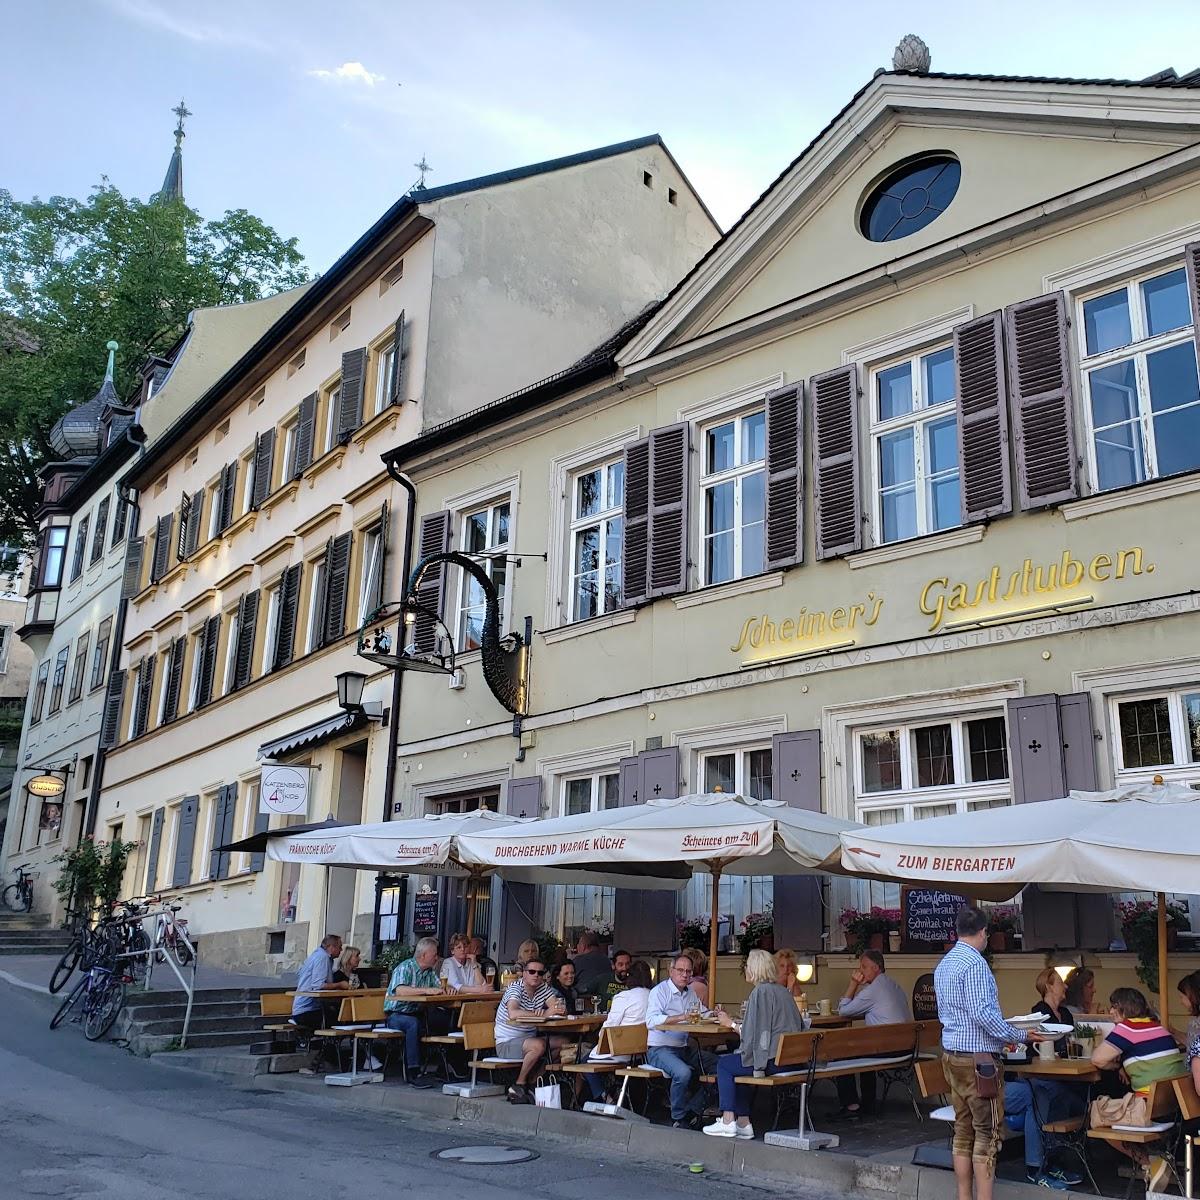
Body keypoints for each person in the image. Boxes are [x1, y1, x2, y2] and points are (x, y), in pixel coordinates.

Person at [934, 906, 1052, 1200]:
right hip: (980, 1060)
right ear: (984, 932)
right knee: (987, 1134)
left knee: (963, 1131)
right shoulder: (974, 964)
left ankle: (964, 1196)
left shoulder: (945, 963)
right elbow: (983, 1015)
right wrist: (1019, 1035)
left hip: (952, 1053)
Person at [703, 949, 807, 1138]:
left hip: (773, 1061)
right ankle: (743, 1123)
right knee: (740, 1062)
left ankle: (727, 1120)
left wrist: (731, 1024)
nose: (746, 970)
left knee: (725, 1064)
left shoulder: (761, 992)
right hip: (792, 1059)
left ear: (755, 970)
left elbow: (755, 1037)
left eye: (748, 966)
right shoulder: (783, 991)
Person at [1091, 987, 1185, 1193]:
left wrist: (1115, 1066)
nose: (1111, 1012)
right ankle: (1155, 1160)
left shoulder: (1127, 1029)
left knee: (1096, 1117)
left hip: (1147, 1111)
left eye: (1114, 1007)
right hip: (1172, 1108)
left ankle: (1150, 1161)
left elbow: (1097, 1059)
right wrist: (1124, 1064)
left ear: (1124, 1009)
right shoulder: (1158, 1028)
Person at [1001, 968, 1086, 1188]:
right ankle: (1037, 1167)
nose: (1065, 986)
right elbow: (1030, 1050)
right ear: (1048, 986)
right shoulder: (1038, 1014)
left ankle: (1052, 1160)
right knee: (1042, 1094)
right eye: (1060, 982)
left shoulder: (1065, 1014)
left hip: (1056, 1076)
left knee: (1063, 1096)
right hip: (1036, 1076)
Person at [833, 949, 912, 1119]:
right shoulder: (893, 984)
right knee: (865, 1053)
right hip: (907, 1047)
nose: (860, 971)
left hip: (889, 1048)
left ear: (876, 968)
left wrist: (853, 984)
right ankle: (867, 1104)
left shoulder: (873, 990)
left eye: (864, 967)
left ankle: (851, 1105)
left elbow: (843, 1011)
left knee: (840, 1053)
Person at [646, 954, 716, 1129]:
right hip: (659, 1049)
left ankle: (693, 1110)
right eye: (680, 970)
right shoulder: (660, 991)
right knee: (684, 1073)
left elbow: (701, 1013)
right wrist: (681, 1017)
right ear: (671, 971)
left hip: (683, 1048)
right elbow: (651, 1021)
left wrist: (714, 1013)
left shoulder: (690, 993)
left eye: (688, 971)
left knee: (721, 1066)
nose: (685, 975)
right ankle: (679, 1117)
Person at [494, 956, 567, 1104]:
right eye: (532, 972)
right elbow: (513, 1012)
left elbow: (559, 1009)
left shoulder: (543, 988)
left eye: (540, 973)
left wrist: (550, 1012)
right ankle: (519, 1084)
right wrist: (541, 1014)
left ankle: (534, 1080)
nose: (536, 975)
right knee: (538, 1045)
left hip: (530, 1038)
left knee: (564, 1043)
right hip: (506, 1042)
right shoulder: (515, 988)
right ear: (524, 973)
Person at [580, 960, 653, 1101]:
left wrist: (599, 1036)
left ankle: (604, 1097)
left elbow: (609, 1027)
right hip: (643, 1053)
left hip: (621, 1052)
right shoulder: (654, 996)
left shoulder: (623, 997)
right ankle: (615, 1092)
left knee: (583, 1062)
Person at [383, 937, 450, 1087]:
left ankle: (445, 1068)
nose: (437, 957)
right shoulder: (405, 968)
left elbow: (439, 988)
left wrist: (447, 989)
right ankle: (413, 1072)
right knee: (412, 1024)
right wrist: (426, 990)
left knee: (446, 1020)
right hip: (396, 1015)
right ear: (423, 955)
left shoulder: (429, 972)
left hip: (418, 1014)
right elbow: (400, 990)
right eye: (434, 954)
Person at [292, 934, 351, 1075]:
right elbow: (318, 985)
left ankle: (326, 1061)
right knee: (338, 1022)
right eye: (339, 946)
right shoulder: (322, 958)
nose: (341, 950)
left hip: (310, 1008)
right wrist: (340, 985)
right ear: (331, 947)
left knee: (339, 1019)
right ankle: (322, 1062)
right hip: (306, 1010)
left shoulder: (320, 956)